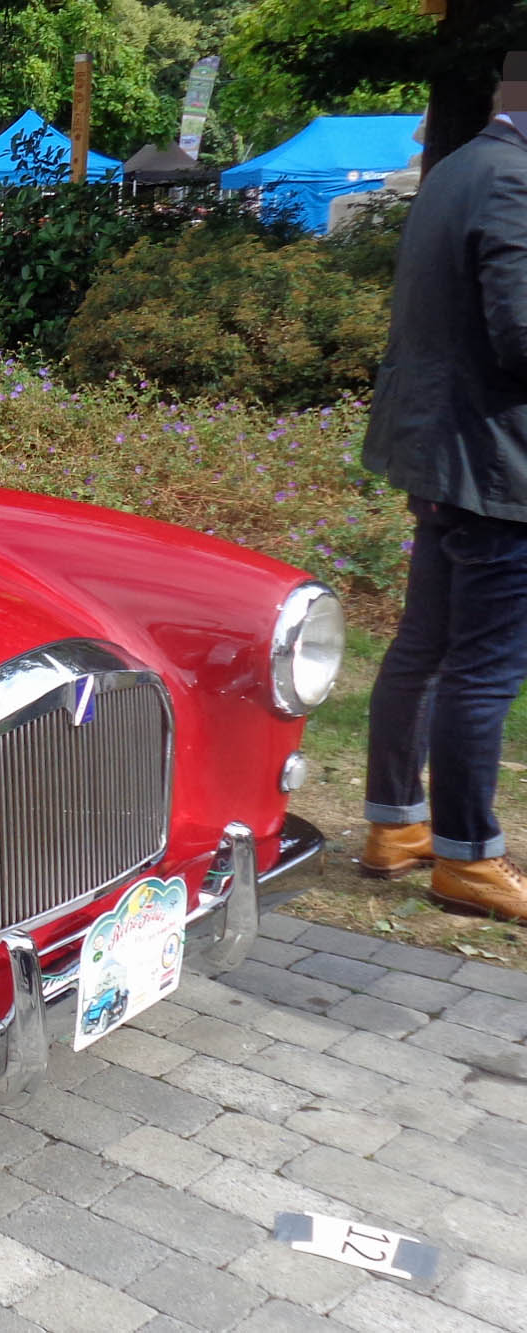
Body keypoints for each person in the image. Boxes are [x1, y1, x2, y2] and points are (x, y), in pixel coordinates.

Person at [361, 53, 527, 922]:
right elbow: (521, 334)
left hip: (441, 452)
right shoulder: (512, 182)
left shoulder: (460, 165)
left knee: (426, 646)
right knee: (483, 669)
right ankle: (468, 856)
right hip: (497, 463)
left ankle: (396, 824)